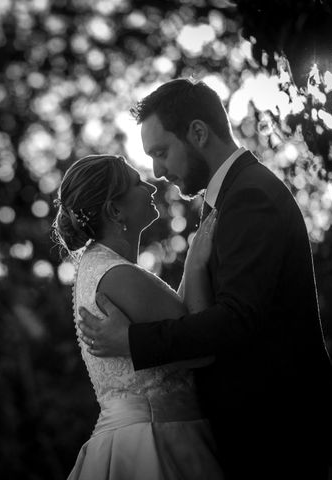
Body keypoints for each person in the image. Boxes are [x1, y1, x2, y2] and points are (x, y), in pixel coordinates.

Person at [77, 79, 332, 480]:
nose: (158, 172)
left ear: (198, 132)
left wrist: (130, 341)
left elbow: (236, 319)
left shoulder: (249, 198)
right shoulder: (228, 199)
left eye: (162, 153)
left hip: (273, 429)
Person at [53, 153, 224, 479]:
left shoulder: (96, 266)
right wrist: (198, 265)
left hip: (128, 439)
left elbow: (174, 322)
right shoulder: (119, 276)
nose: (149, 186)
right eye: (135, 182)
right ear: (115, 210)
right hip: (157, 442)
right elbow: (200, 347)